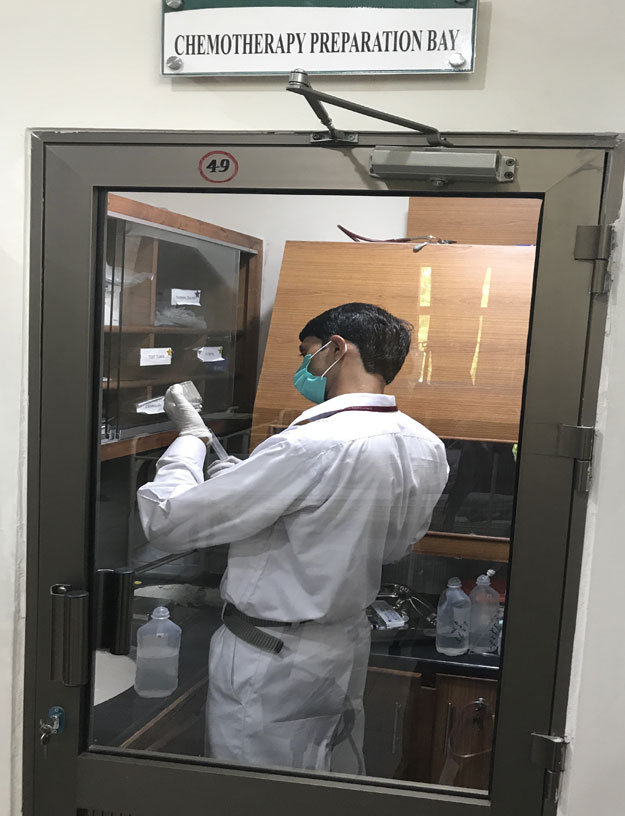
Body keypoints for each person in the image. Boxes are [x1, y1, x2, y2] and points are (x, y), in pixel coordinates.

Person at [137, 302, 449, 774]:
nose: (303, 368)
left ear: (337, 348)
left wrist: (190, 439)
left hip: (271, 656)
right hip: (342, 646)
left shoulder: (308, 444)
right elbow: (387, 542)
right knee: (325, 783)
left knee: (255, 792)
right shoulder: (425, 445)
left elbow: (168, 521)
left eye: (308, 354)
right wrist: (246, 482)